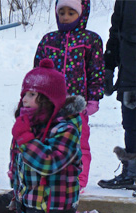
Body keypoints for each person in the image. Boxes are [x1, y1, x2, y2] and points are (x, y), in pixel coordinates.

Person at [10, 59, 113, 213]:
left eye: (32, 95)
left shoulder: (66, 129)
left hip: (53, 202)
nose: (24, 99)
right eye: (24, 94)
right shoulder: (27, 124)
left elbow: (50, 163)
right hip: (29, 199)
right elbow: (16, 160)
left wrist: (25, 139)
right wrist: (16, 189)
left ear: (48, 99)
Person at [34, 0, 104, 190]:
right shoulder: (48, 40)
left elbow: (96, 72)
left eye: (70, 13)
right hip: (50, 105)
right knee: (48, 142)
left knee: (79, 145)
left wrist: (93, 99)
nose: (65, 17)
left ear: (82, 14)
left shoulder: (91, 40)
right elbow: (38, 73)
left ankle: (78, 181)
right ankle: (50, 179)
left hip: (77, 105)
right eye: (61, 12)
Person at [98, 0, 136, 191]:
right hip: (128, 76)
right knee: (130, 126)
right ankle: (131, 175)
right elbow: (116, 33)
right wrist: (108, 67)